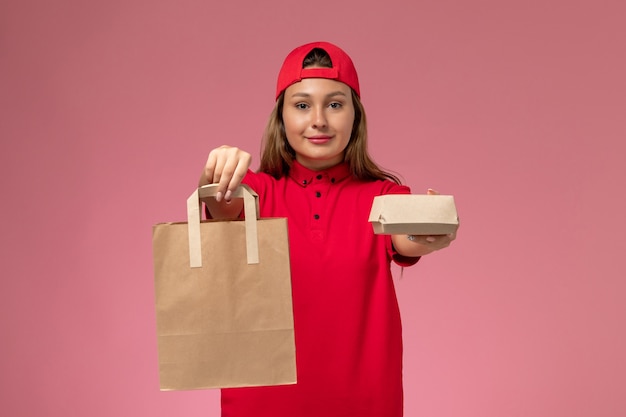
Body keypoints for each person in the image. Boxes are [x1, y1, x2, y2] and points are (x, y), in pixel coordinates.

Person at [199, 41, 456, 417]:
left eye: (335, 104)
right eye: (302, 105)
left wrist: (425, 230)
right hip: (261, 405)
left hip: (363, 403)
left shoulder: (383, 195)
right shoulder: (256, 191)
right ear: (281, 116)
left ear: (355, 116)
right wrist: (215, 173)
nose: (318, 119)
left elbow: (405, 237)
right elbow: (219, 205)